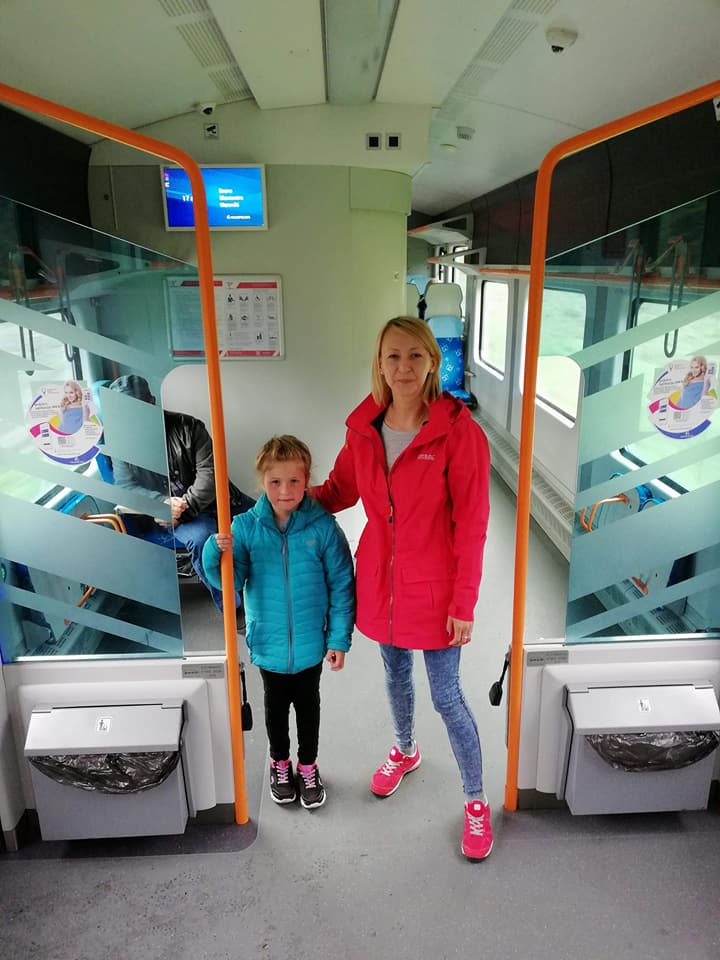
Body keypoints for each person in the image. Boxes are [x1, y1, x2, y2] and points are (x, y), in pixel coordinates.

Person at [311, 316, 493, 860]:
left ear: (433, 361)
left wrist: (464, 603)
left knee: (447, 696)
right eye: (393, 356)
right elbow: (340, 490)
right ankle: (406, 750)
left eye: (415, 355)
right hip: (381, 581)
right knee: (394, 674)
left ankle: (476, 800)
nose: (404, 367)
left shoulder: (459, 433)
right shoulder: (364, 429)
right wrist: (286, 497)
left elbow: (473, 524)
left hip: (436, 589)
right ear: (379, 363)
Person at [202, 435, 354, 809]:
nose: (285, 491)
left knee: (309, 708)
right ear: (262, 482)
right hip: (268, 643)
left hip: (310, 643)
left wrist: (339, 639)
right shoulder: (245, 529)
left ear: (307, 481)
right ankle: (280, 765)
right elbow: (229, 582)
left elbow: (342, 585)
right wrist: (212, 552)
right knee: (275, 709)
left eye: (293, 481)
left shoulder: (323, 528)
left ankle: (308, 766)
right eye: (275, 482)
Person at [107, 374, 254, 612]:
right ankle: (233, 607)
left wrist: (183, 508)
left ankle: (271, 593)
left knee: (267, 521)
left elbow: (211, 475)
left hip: (219, 500)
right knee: (202, 538)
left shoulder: (189, 426)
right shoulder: (120, 443)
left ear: (152, 402)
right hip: (172, 515)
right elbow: (126, 487)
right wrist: (162, 504)